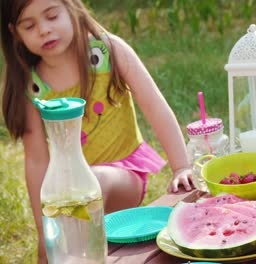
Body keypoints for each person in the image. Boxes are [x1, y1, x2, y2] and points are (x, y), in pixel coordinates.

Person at [0, 0, 194, 262]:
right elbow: (36, 161)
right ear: (14, 32)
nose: (44, 30)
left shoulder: (108, 51)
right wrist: (45, 234)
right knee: (76, 208)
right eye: (29, 25)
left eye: (52, 16)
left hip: (124, 177)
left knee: (92, 181)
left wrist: (181, 166)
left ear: (71, 8)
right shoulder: (32, 87)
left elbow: (155, 106)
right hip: (71, 192)